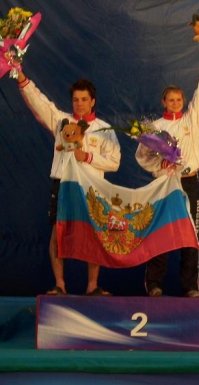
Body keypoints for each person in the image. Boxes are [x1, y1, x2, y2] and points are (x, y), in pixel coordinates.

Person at [17, 70, 121, 296]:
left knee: (95, 233)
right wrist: (21, 77)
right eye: (76, 99)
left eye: (84, 99)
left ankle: (92, 286)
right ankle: (60, 284)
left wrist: (89, 157)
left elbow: (115, 162)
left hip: (92, 187)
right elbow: (40, 102)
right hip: (63, 185)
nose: (80, 104)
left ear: (92, 101)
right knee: (58, 233)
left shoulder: (104, 129)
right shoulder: (61, 122)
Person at [136, 45, 199, 298]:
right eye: (170, 100)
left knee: (190, 236)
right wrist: (160, 165)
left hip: (189, 183)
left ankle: (190, 286)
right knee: (160, 232)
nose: (175, 103)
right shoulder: (153, 127)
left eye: (178, 100)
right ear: (163, 101)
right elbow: (142, 157)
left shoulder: (191, 119)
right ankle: (155, 284)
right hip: (164, 185)